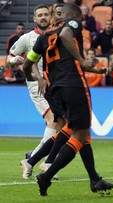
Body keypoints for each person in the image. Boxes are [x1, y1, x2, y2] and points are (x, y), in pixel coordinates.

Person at [22, 3, 113, 196]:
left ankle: (94, 179)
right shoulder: (72, 23)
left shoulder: (43, 37)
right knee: (79, 135)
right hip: (74, 86)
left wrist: (35, 78)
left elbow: (27, 63)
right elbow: (66, 36)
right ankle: (47, 175)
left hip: (55, 90)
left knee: (76, 130)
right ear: (72, 15)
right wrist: (82, 61)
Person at [6, 5, 58, 161]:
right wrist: (14, 59)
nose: (43, 17)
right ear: (34, 19)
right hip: (37, 85)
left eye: (46, 15)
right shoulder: (26, 38)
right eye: (39, 15)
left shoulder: (56, 36)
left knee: (58, 125)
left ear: (51, 17)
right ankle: (47, 164)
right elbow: (8, 59)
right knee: (52, 120)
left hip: (55, 84)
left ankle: (32, 158)